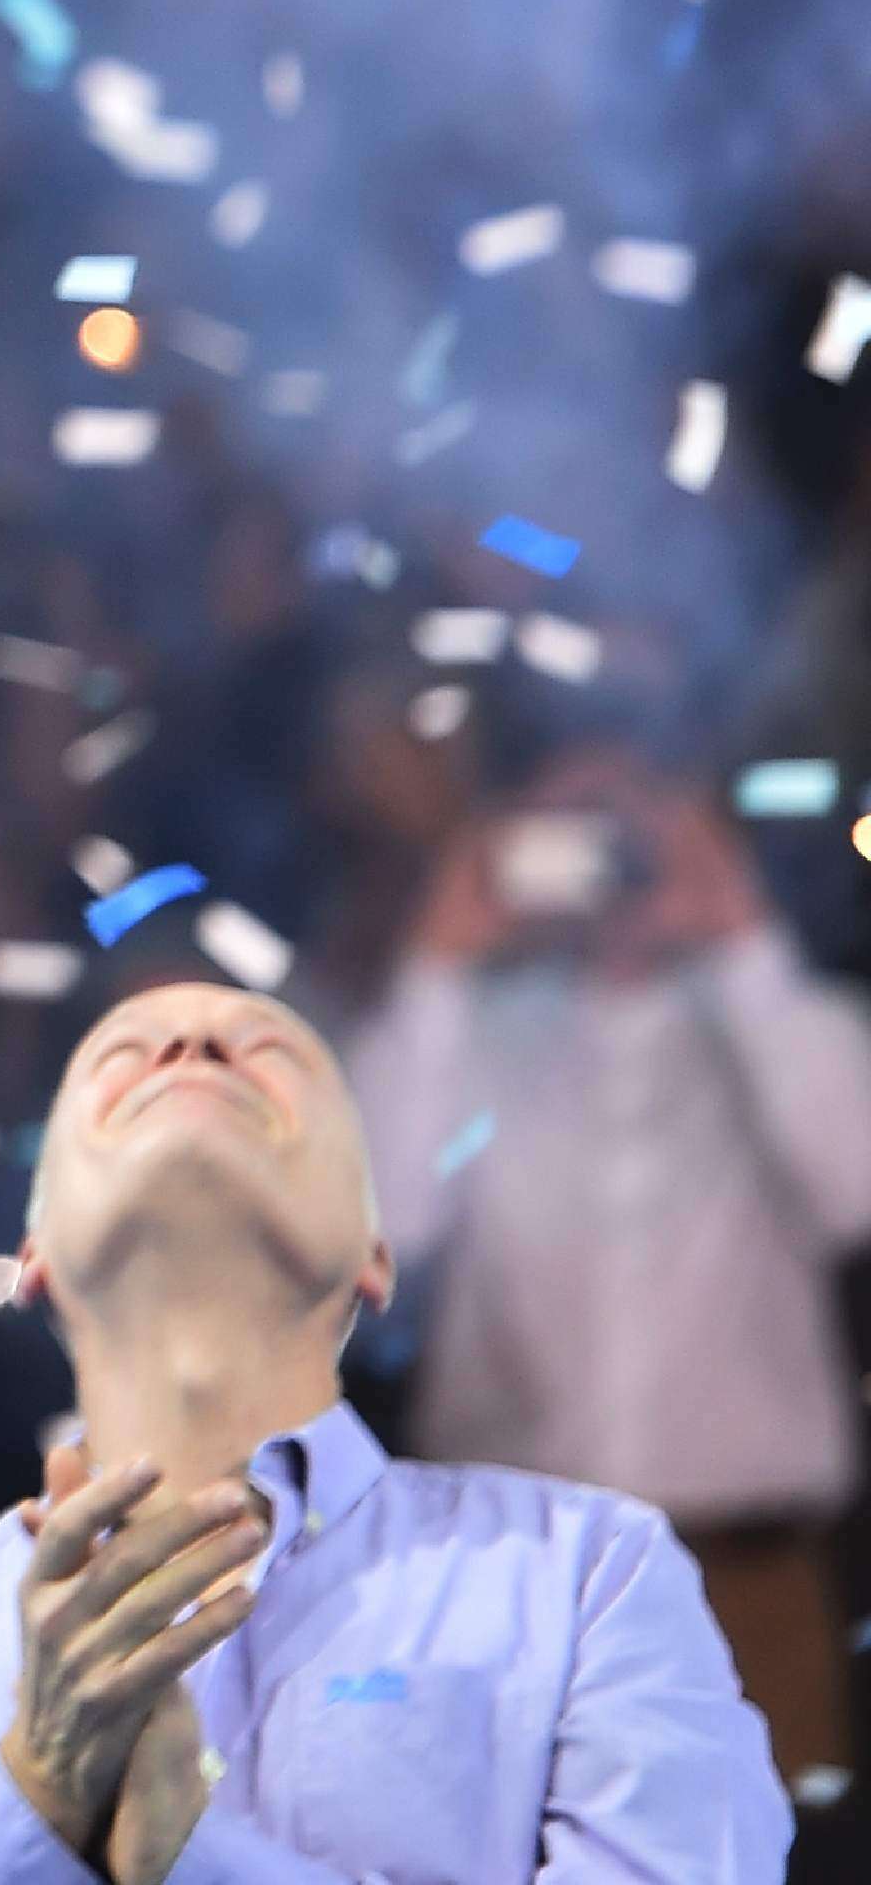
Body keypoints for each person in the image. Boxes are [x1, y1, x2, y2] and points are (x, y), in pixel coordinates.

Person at [0, 976, 789, 1883]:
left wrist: (193, 1852)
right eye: (124, 1057)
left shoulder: (586, 1575)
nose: (188, 1045)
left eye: (262, 1052)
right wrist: (36, 1790)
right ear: (32, 1256)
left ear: (374, 1255)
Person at [343, 735, 871, 1823]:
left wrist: (738, 933)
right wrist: (443, 950)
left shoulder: (784, 1022)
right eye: (578, 831)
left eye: (637, 828)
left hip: (746, 1584)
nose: (615, 862)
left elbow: (857, 1187)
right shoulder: (470, 1035)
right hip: (510, 1598)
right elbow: (374, 1224)